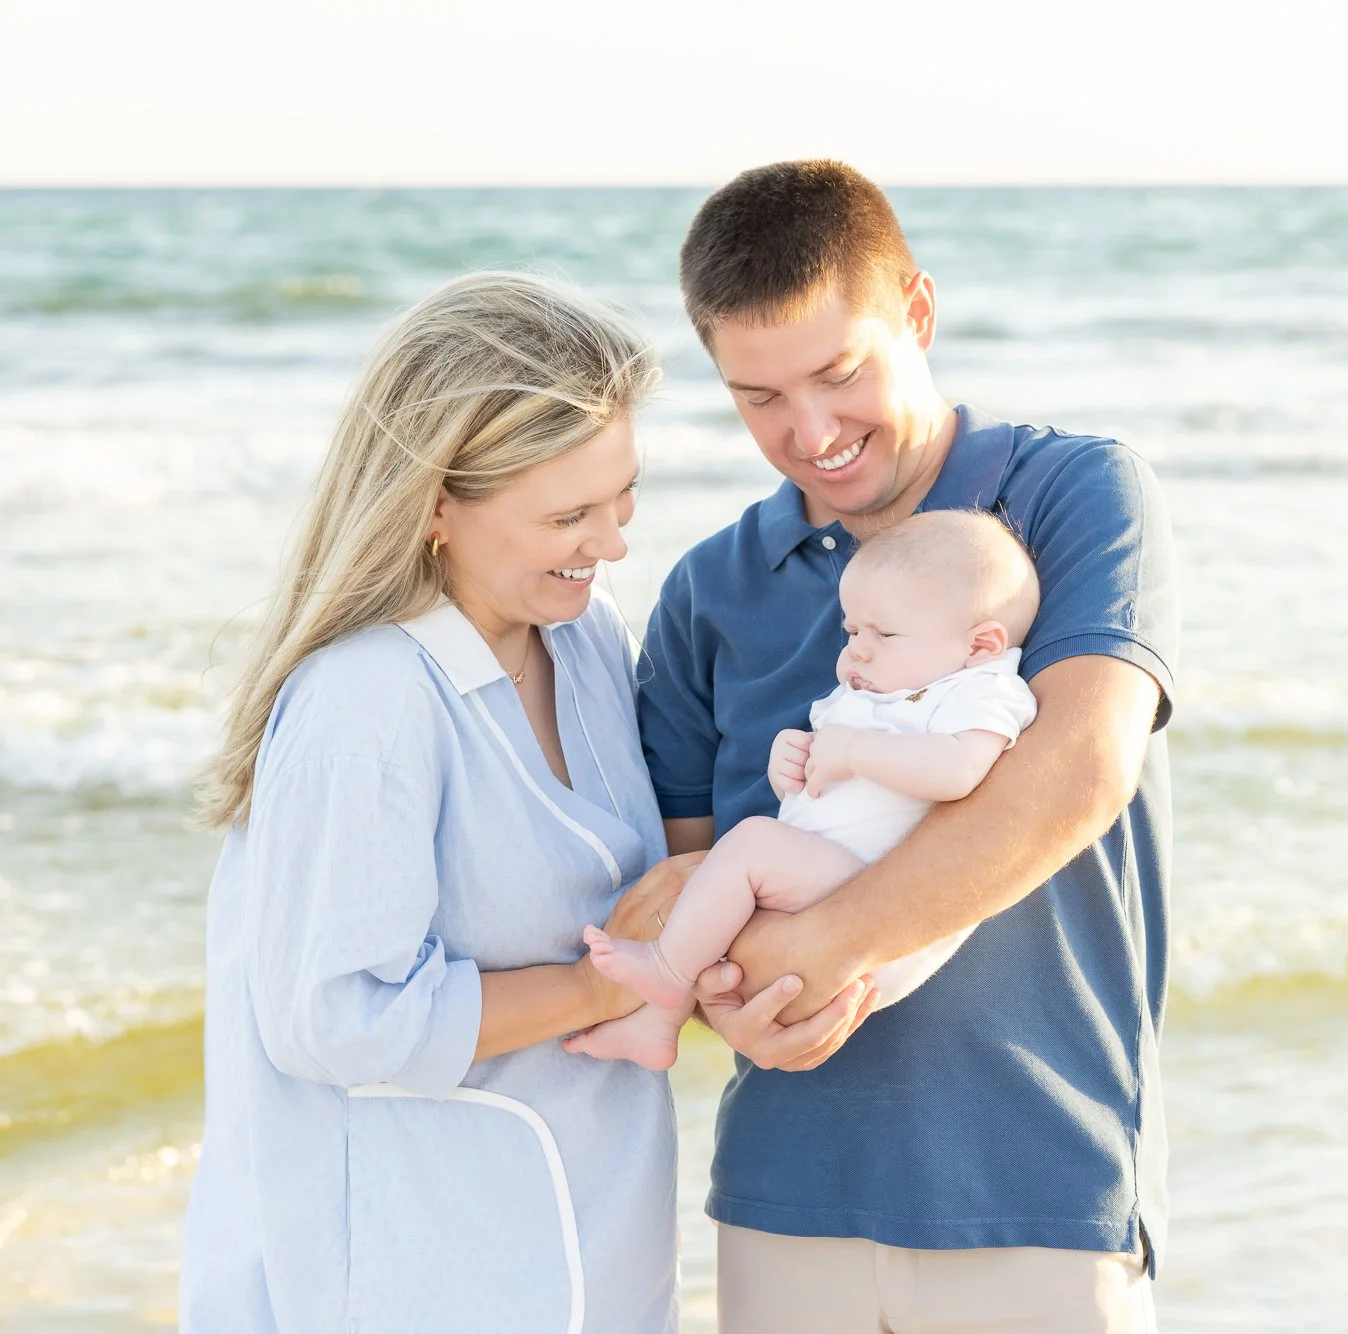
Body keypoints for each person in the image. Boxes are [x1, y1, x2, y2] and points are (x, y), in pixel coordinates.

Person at [638, 161, 1179, 1333]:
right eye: (759, 397)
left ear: (916, 314)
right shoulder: (705, 593)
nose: (811, 431)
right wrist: (726, 997)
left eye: (840, 372)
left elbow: (1078, 773)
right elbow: (683, 879)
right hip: (781, 1198)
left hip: (1039, 1191)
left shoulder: (1073, 496)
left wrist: (820, 949)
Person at [180, 272, 703, 1332]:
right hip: (411, 1272)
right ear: (433, 505)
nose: (611, 543)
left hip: (592, 1241)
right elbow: (338, 1017)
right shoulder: (367, 702)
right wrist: (604, 987)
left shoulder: (583, 629)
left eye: (624, 495)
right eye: (568, 513)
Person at [572, 509, 1039, 1069]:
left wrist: (852, 752)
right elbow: (820, 782)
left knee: (748, 847)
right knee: (697, 885)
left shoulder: (981, 689)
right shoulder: (880, 688)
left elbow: (959, 770)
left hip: (876, 891)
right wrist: (789, 761)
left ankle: (666, 973)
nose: (858, 649)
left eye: (884, 633)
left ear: (981, 644)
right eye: (852, 631)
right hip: (824, 873)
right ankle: (656, 1021)